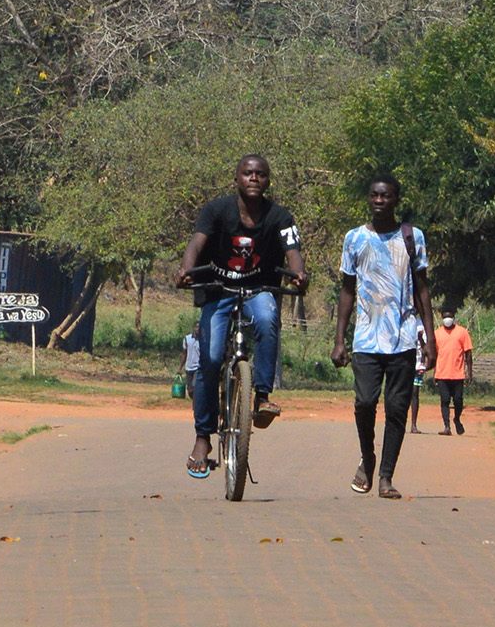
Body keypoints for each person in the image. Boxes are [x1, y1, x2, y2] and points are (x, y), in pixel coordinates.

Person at [173, 154, 306, 480]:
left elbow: (293, 252)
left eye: (260, 174)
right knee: (211, 358)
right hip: (217, 289)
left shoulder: (281, 217)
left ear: (268, 181)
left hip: (259, 288)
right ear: (236, 179)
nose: (254, 179)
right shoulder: (217, 210)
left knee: (266, 320)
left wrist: (299, 274)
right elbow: (197, 242)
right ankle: (203, 437)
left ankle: (261, 396)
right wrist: (186, 269)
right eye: (247, 173)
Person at [330, 175, 434, 500]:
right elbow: (347, 290)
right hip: (365, 338)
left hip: (403, 337)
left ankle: (386, 476)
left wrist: (429, 338)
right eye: (374, 195)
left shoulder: (412, 237)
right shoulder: (354, 239)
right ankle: (369, 457)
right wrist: (339, 339)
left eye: (385, 196)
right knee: (364, 403)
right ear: (368, 199)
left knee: (397, 408)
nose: (379, 201)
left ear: (396, 200)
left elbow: (422, 289)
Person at [432, 313, 473, 436]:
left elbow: (468, 353)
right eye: (444, 317)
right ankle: (446, 426)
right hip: (442, 373)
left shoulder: (462, 332)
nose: (447, 319)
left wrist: (469, 372)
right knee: (444, 400)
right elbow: (435, 354)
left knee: (458, 400)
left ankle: (457, 419)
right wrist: (435, 373)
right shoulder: (437, 333)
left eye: (449, 317)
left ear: (453, 318)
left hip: (458, 374)